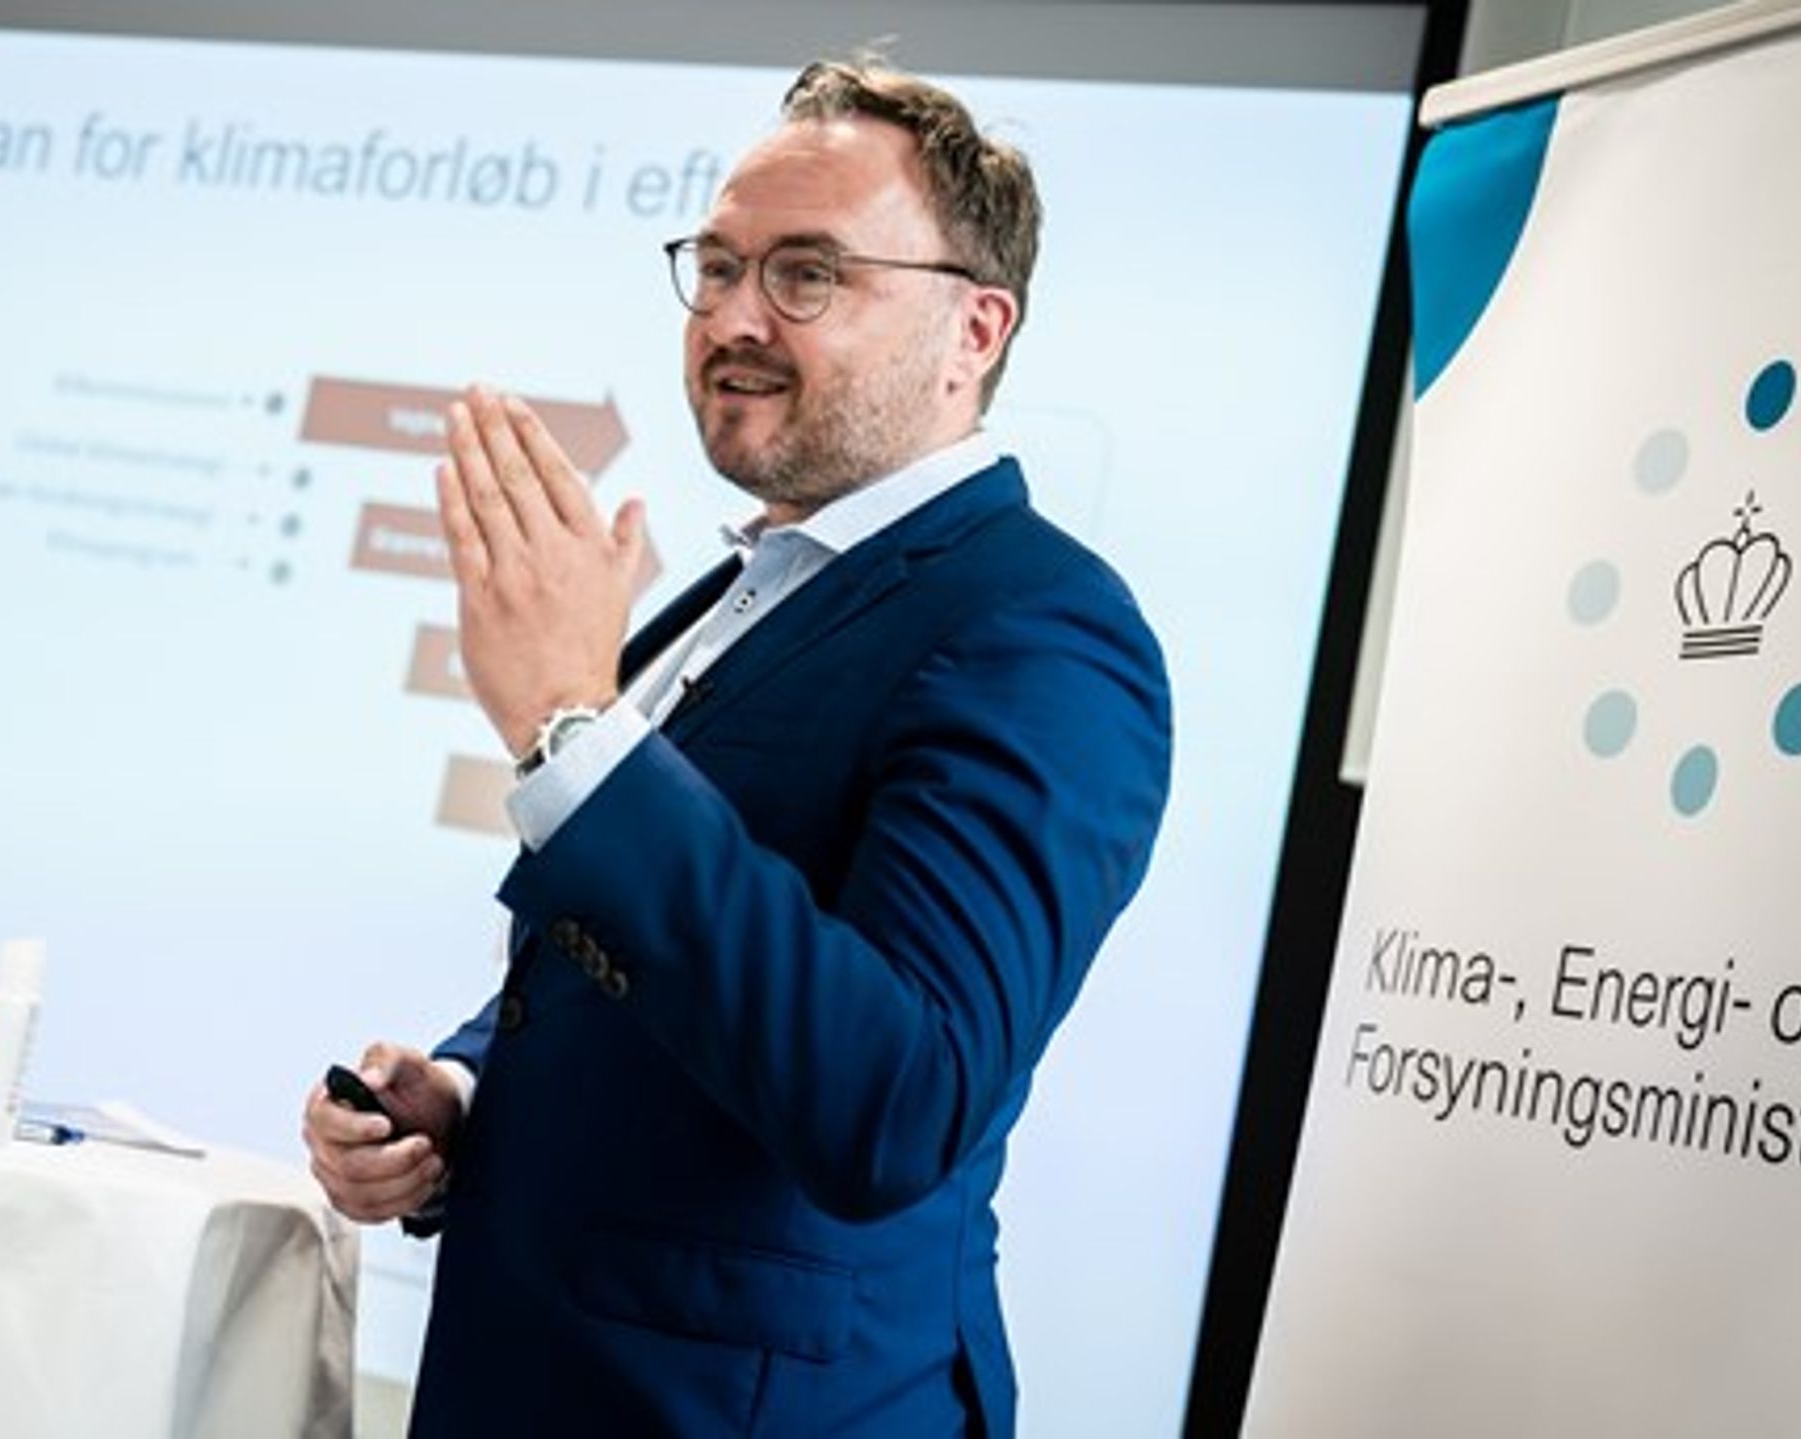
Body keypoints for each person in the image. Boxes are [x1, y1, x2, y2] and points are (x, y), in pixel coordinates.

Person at [303, 56, 1171, 1437]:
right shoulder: (748, 587)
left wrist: (571, 727)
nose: (734, 319)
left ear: (975, 328)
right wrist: (462, 1092)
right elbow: (640, 975)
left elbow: (897, 1100)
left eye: (807, 274)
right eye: (716, 268)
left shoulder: (1043, 633)